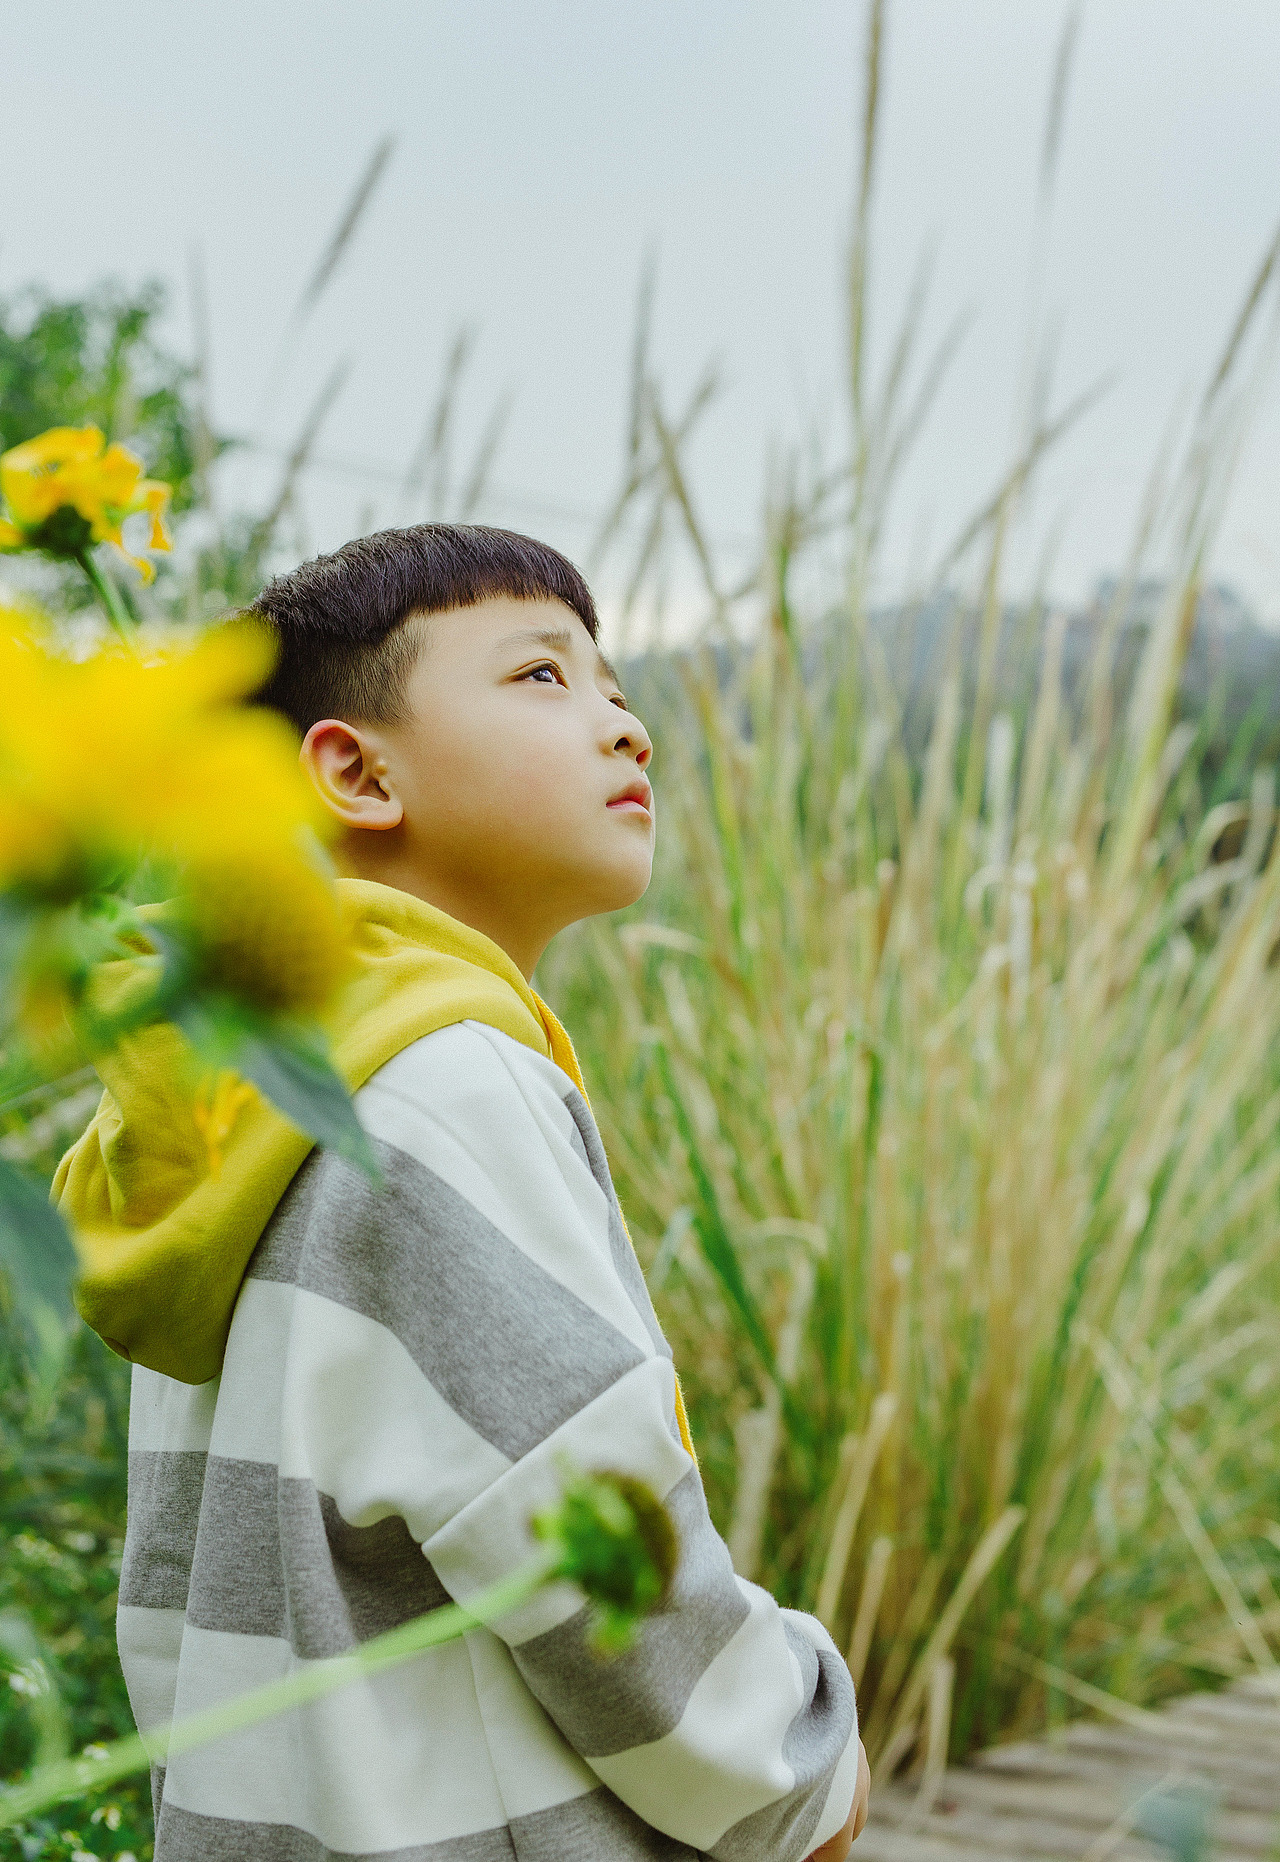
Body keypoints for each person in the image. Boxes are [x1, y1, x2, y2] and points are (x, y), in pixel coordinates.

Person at [57, 524, 871, 1861]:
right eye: (544, 677)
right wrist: (798, 1774)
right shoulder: (446, 1087)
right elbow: (603, 1559)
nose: (628, 728)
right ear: (355, 770)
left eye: (615, 683)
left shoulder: (230, 1109)